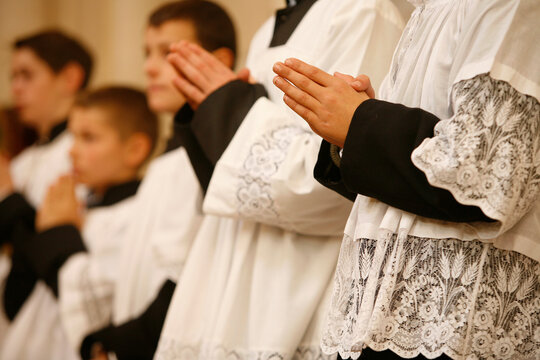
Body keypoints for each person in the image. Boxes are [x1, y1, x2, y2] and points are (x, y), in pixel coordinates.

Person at [273, 0, 540, 359]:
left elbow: (484, 175)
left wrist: (363, 124)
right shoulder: (427, 12)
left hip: (451, 324)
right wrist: (353, 134)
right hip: (377, 321)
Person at [154, 0, 407, 358]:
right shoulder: (268, 29)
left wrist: (230, 108)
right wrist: (211, 113)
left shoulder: (363, 10)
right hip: (231, 281)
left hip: (294, 291)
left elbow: (342, 181)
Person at [78, 2, 236, 359]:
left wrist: (125, 339)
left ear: (219, 61)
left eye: (168, 53)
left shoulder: (213, 157)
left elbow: (190, 276)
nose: (149, 67)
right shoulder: (169, 159)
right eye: (147, 53)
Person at [2, 87, 158, 360]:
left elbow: (99, 306)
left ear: (135, 149)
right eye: (73, 136)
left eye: (89, 138)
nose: (72, 151)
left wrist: (59, 233)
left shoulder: (138, 214)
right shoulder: (76, 202)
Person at [0, 29, 93, 359]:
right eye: (13, 77)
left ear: (69, 78)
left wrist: (8, 198)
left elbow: (48, 243)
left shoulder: (81, 154)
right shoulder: (24, 160)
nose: (16, 88)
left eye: (27, 75)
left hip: (55, 324)